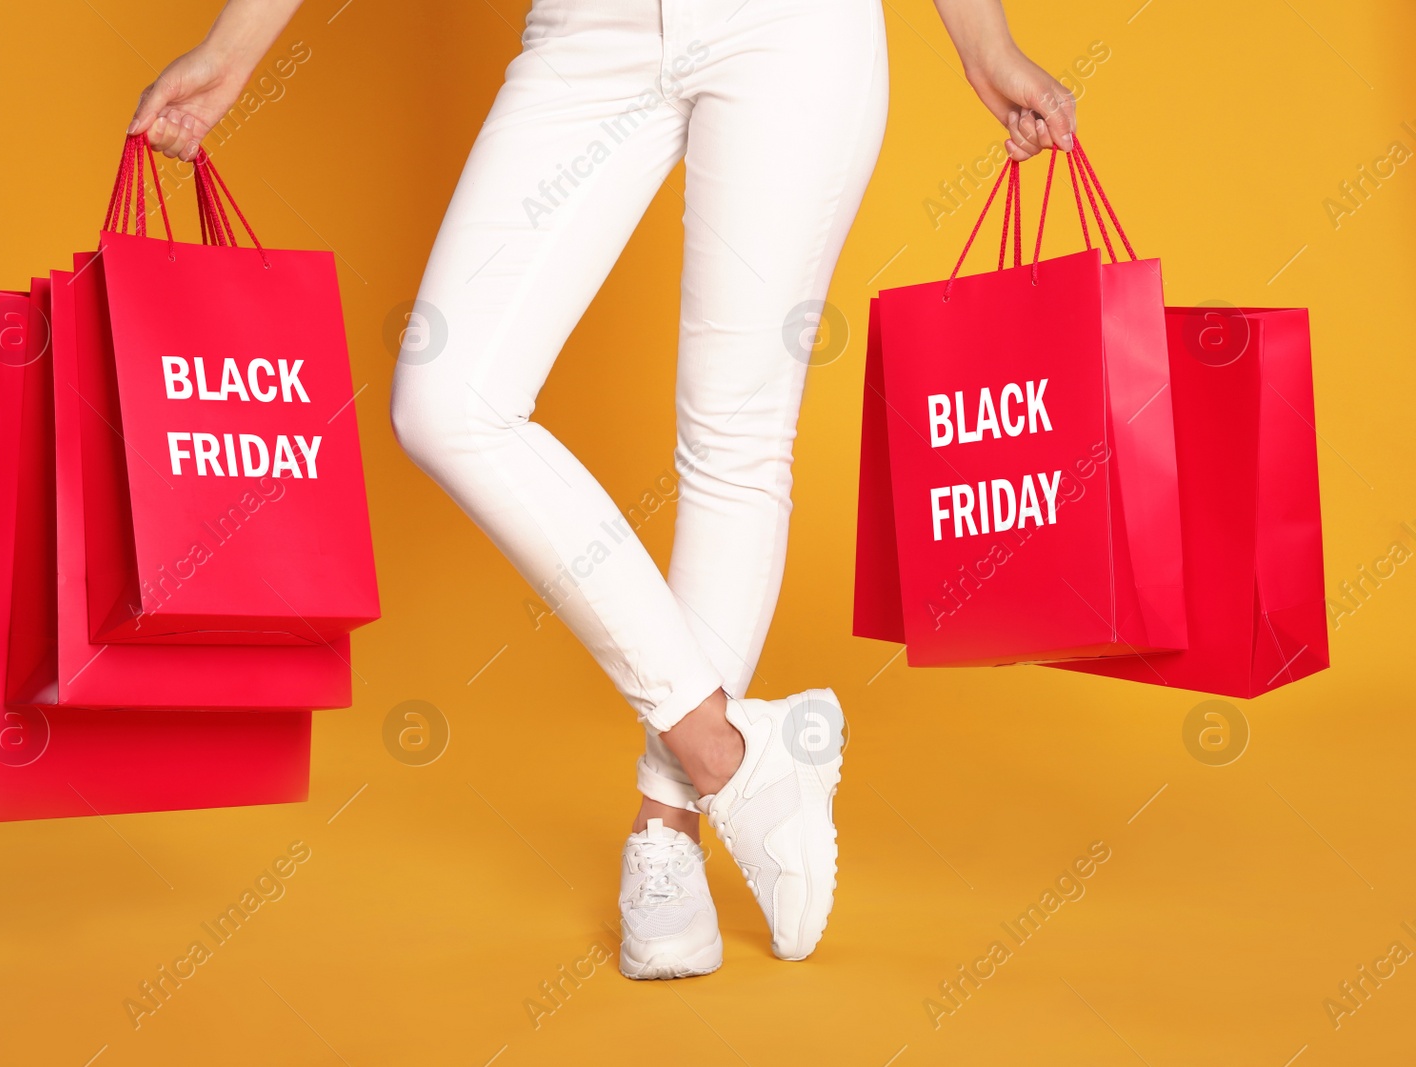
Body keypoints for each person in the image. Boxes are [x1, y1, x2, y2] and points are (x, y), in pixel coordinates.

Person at [129, 0, 1075, 979]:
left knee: (735, 434)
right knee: (447, 400)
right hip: (594, 28)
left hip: (792, 30)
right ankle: (732, 758)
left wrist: (982, 42)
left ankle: (667, 832)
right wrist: (232, 52)